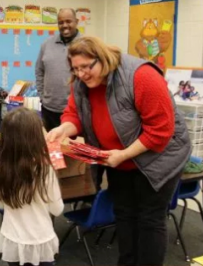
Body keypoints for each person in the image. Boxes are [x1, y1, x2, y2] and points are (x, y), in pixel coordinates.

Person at [47, 36, 191, 266]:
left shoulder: (141, 76)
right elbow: (74, 114)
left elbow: (160, 131)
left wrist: (123, 154)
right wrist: (63, 129)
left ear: (102, 58)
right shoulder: (81, 83)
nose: (81, 74)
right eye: (76, 68)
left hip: (158, 159)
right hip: (116, 159)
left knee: (149, 219)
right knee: (124, 214)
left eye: (86, 67)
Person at [0, 107, 64, 266]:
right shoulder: (45, 171)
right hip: (40, 241)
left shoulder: (0, 168)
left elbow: (0, 204)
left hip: (12, 240)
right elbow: (57, 209)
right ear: (37, 138)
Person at [35, 8, 81, 131]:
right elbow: (39, 71)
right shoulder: (46, 44)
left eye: (68, 21)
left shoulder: (85, 44)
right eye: (61, 22)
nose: (64, 25)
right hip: (48, 109)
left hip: (75, 111)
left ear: (76, 21)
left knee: (71, 148)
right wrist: (42, 95)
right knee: (49, 146)